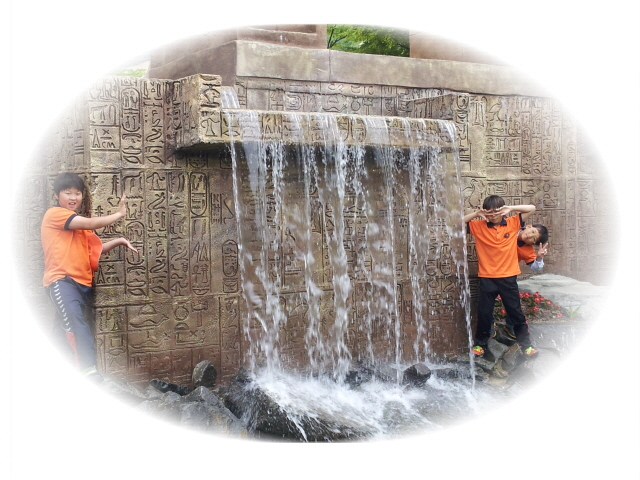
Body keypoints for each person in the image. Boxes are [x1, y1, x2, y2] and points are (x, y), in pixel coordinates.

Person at [41, 172, 138, 382]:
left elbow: (95, 250)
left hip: (81, 285)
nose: (73, 197)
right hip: (62, 281)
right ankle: (89, 372)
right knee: (76, 324)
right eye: (68, 193)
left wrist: (119, 241)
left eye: (77, 193)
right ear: (57, 195)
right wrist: (119, 214)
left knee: (61, 330)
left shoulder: (80, 229)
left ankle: (50, 371)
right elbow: (91, 223)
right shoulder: (55, 214)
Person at [464, 195, 539, 358]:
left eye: (496, 212)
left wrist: (511, 208)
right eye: (489, 212)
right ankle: (480, 344)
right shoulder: (478, 226)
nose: (493, 215)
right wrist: (476, 213)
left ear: (502, 211)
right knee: (484, 313)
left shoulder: (513, 223)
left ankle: (526, 345)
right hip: (487, 277)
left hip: (508, 277)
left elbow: (532, 208)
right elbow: (456, 223)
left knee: (515, 312)